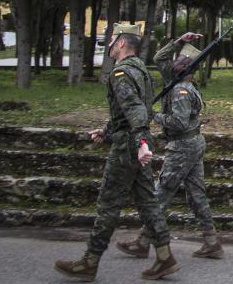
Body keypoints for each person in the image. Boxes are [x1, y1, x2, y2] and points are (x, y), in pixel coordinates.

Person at [54, 23, 179, 281]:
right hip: (135, 141)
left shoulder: (120, 73)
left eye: (112, 39)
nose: (109, 43)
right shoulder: (141, 70)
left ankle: (89, 262)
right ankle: (165, 257)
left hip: (128, 147)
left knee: (108, 204)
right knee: (147, 203)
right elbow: (129, 112)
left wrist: (140, 143)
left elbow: (135, 110)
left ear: (121, 42)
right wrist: (107, 131)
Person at [116, 32, 222, 259]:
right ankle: (212, 242)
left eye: (179, 61)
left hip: (183, 145)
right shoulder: (176, 81)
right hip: (192, 143)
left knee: (160, 192)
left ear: (183, 70)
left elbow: (179, 122)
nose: (173, 63)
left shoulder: (181, 90)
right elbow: (159, 58)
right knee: (196, 195)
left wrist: (155, 116)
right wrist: (180, 41)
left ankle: (143, 242)